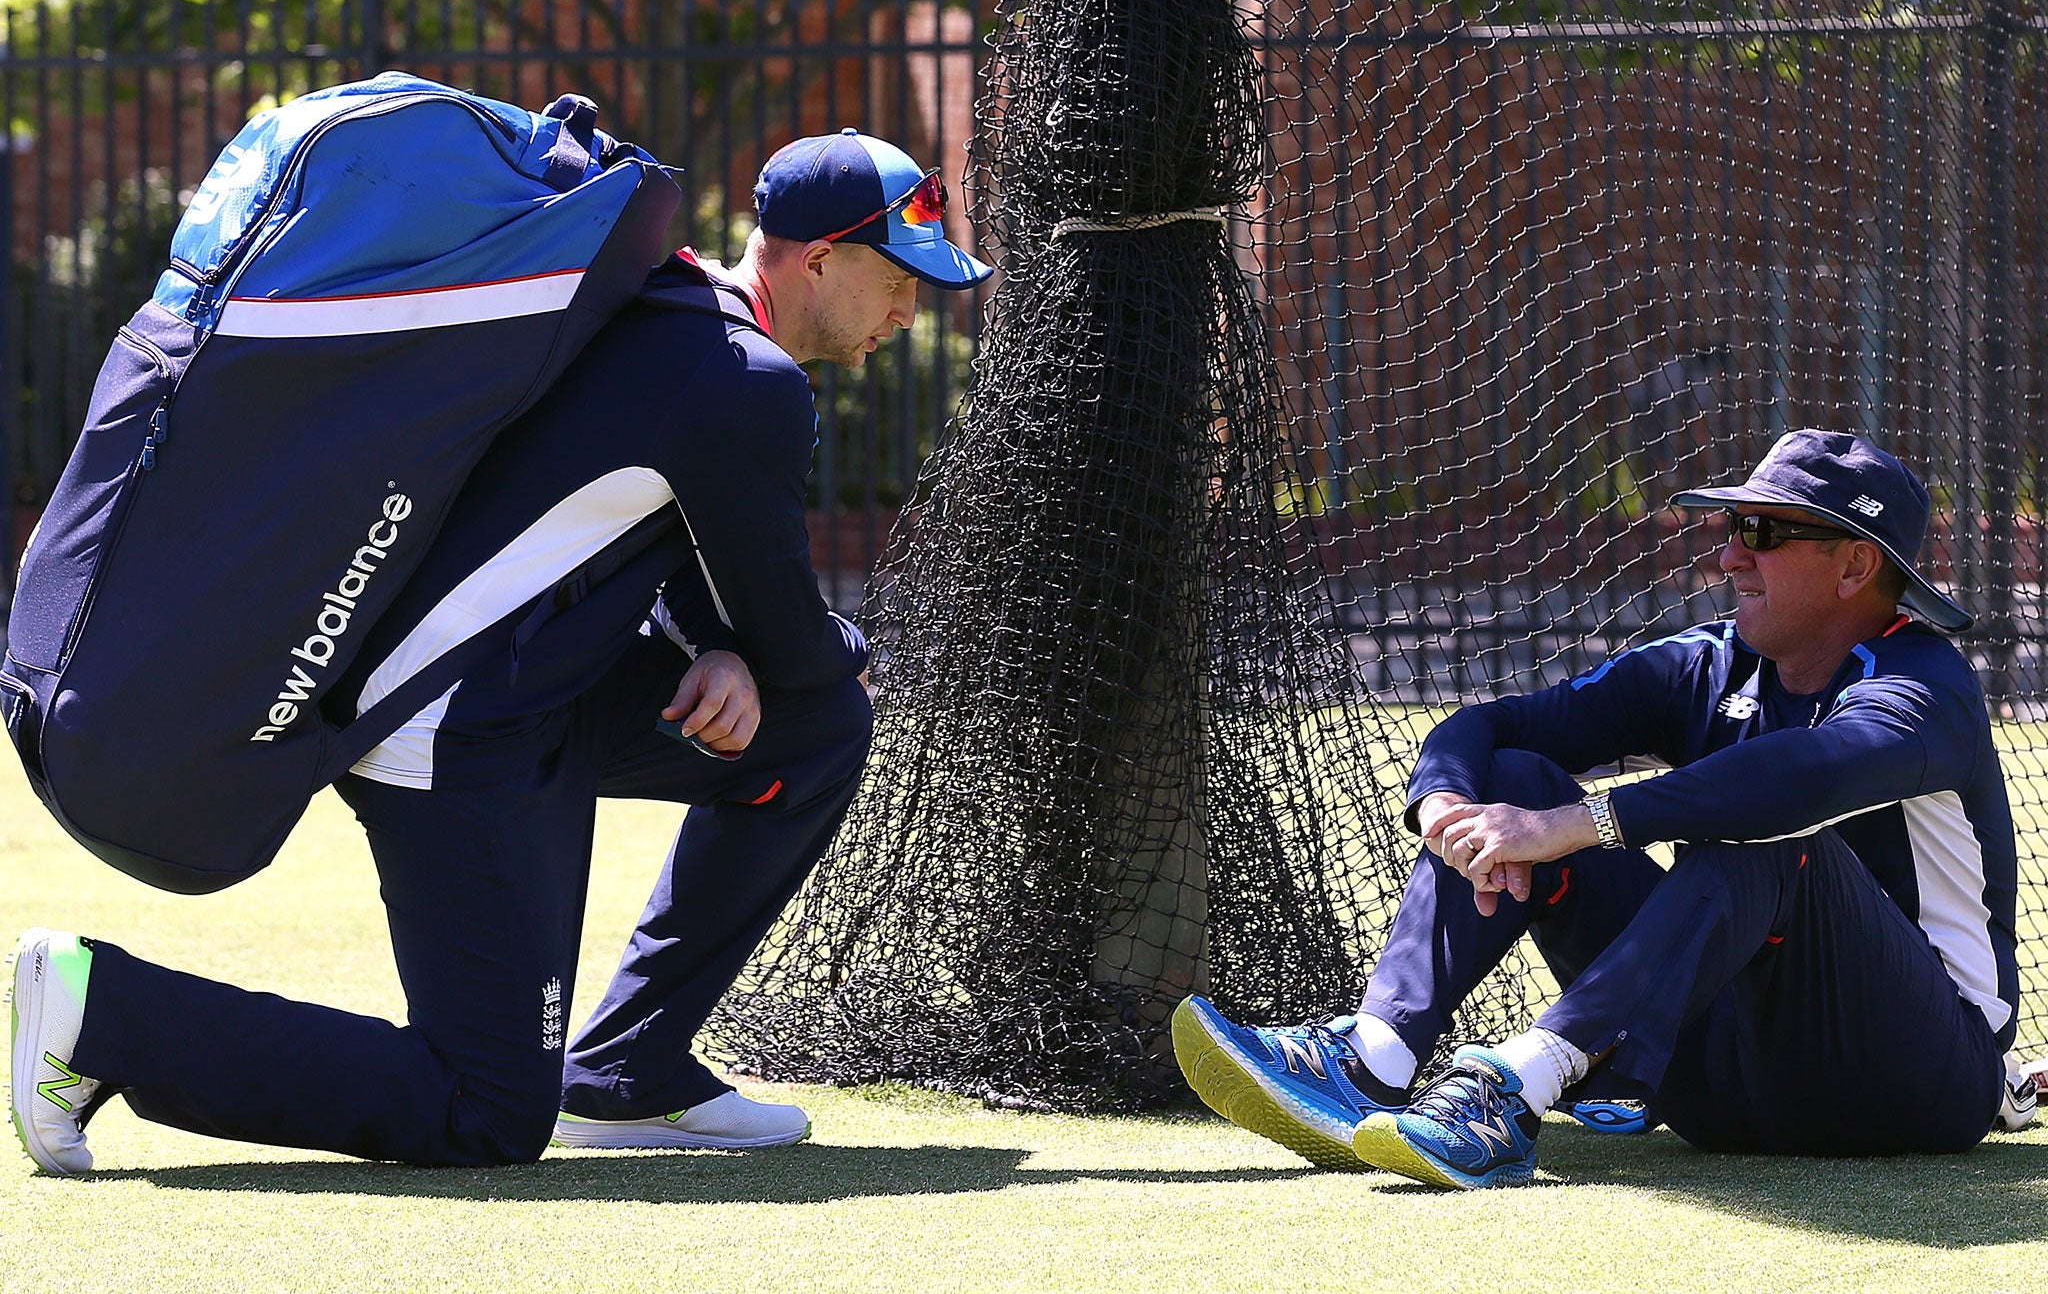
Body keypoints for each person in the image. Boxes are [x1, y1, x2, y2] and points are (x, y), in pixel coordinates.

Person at [9, 128, 992, 1173]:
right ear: (816, 259)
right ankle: (100, 1014)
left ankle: (629, 1075)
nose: (906, 312)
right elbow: (793, 639)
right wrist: (793, 648)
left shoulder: (670, 311)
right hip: (449, 724)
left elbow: (650, 534)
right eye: (896, 278)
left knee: (816, 731)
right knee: (486, 1112)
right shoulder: (744, 381)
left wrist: (720, 645)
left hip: (538, 688)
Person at [1176, 429, 2027, 1188]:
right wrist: (1447, 806)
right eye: (1731, 530)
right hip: (1721, 1093)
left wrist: (1574, 827)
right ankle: (1374, 1056)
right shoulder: (1707, 665)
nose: (1730, 558)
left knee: (1762, 827)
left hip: (1916, 1079)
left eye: (1762, 533)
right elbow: (1494, 724)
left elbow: (1799, 780)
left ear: (1855, 565)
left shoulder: (1926, 689)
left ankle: (1513, 1087)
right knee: (1514, 776)